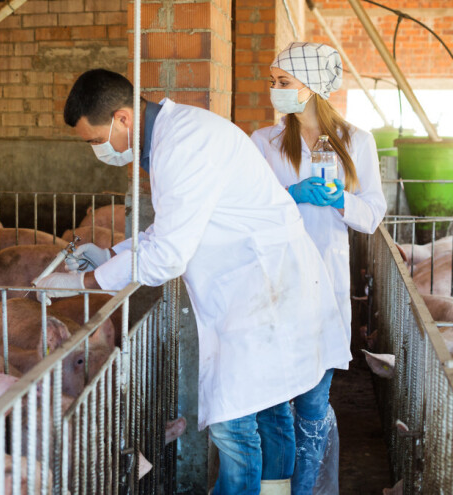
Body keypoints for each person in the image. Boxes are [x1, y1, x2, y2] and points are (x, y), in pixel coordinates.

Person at [36, 69, 351, 495]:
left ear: (123, 119)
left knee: (232, 430)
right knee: (270, 414)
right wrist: (113, 254)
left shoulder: (182, 145)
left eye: (96, 140)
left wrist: (86, 282)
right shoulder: (178, 135)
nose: (98, 150)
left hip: (264, 293)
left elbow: (168, 254)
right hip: (262, 287)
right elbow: (169, 230)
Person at [251, 42, 387, 494]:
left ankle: (304, 490)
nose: (275, 90)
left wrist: (340, 200)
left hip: (325, 289)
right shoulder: (264, 143)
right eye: (273, 82)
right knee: (272, 406)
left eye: (283, 82)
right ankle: (275, 489)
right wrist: (290, 197)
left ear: (312, 87)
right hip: (275, 286)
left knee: (312, 407)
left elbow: (372, 214)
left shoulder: (356, 141)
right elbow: (249, 209)